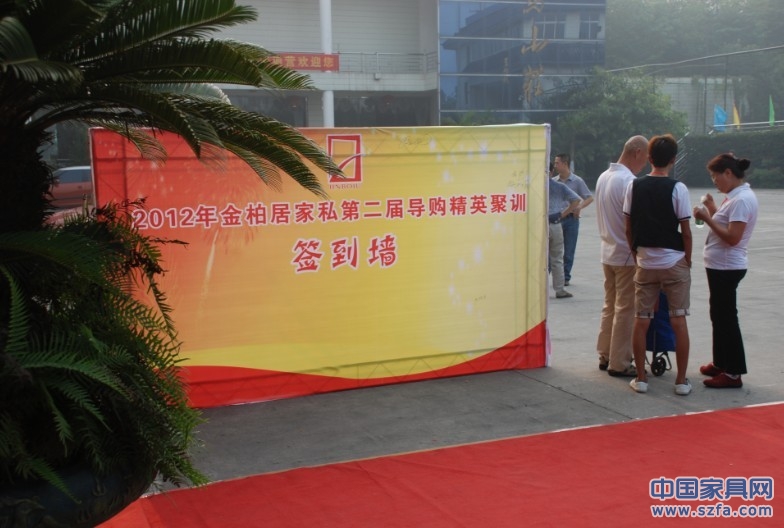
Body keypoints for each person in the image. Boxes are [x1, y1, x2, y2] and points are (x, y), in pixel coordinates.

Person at [623, 134, 693, 395]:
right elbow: (686, 230)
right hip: (673, 261)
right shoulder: (678, 188)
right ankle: (681, 381)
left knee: (641, 320)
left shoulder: (634, 186)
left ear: (649, 157)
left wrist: (636, 252)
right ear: (673, 160)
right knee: (678, 320)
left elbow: (628, 226)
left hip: (645, 261)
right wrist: (687, 259)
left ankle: (641, 379)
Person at [693, 153, 758, 388]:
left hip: (727, 266)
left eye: (715, 176)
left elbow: (732, 237)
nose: (714, 181)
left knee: (727, 318)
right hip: (721, 265)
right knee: (719, 315)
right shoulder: (736, 197)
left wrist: (706, 218)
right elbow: (727, 225)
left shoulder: (741, 200)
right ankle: (721, 362)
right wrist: (712, 208)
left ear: (728, 173)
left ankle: (733, 372)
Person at [594, 136, 649, 377]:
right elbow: (634, 222)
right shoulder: (629, 182)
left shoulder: (603, 177)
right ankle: (620, 362)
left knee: (610, 305)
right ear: (636, 152)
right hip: (625, 253)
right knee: (626, 309)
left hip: (607, 251)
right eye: (645, 158)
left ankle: (605, 354)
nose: (645, 164)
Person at [552, 153, 594, 286]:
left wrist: (579, 207)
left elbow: (589, 198)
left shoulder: (577, 181)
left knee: (569, 250)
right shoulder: (553, 181)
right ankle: (552, 275)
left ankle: (565, 277)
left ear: (565, 164)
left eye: (557, 163)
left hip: (571, 220)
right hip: (557, 219)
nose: (555, 165)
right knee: (553, 250)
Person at [548, 172, 581, 299]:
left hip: (539, 225)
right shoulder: (559, 186)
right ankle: (560, 289)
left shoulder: (533, 186)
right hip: (555, 223)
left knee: (539, 259)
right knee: (557, 258)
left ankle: (538, 289)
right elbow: (576, 200)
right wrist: (562, 214)